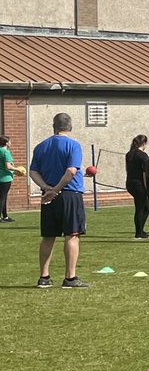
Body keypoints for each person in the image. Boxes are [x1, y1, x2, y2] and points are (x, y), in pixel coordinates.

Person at [29, 112, 88, 288]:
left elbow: (33, 172)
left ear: (53, 126)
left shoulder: (41, 146)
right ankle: (70, 278)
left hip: (48, 196)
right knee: (72, 235)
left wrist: (47, 188)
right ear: (70, 126)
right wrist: (55, 189)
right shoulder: (73, 145)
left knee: (48, 236)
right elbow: (71, 171)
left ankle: (44, 278)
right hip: (69, 194)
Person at [125, 134, 149, 239]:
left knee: (144, 206)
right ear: (144, 143)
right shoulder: (143, 156)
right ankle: (139, 232)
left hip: (130, 183)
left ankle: (140, 230)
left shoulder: (129, 154)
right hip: (139, 184)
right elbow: (145, 173)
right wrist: (147, 186)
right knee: (141, 207)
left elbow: (127, 169)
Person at [0, 135, 14, 223]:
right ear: (6, 143)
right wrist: (18, 170)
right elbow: (8, 166)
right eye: (10, 141)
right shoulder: (6, 152)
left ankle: (5, 216)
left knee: (3, 197)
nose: (11, 143)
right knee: (2, 198)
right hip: (5, 178)